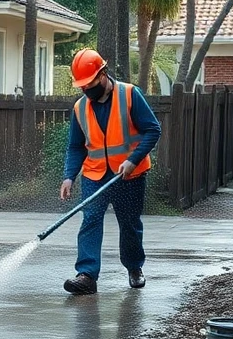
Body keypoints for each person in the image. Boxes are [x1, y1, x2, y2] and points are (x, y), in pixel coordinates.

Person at [58, 48, 162, 296]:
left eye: (90, 83)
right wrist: (69, 176)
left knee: (129, 223)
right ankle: (86, 275)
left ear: (103, 73)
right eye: (82, 86)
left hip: (129, 175)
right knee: (91, 220)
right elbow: (76, 146)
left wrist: (133, 160)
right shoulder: (80, 107)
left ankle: (134, 267)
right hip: (95, 175)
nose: (86, 89)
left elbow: (153, 130)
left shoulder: (129, 94)